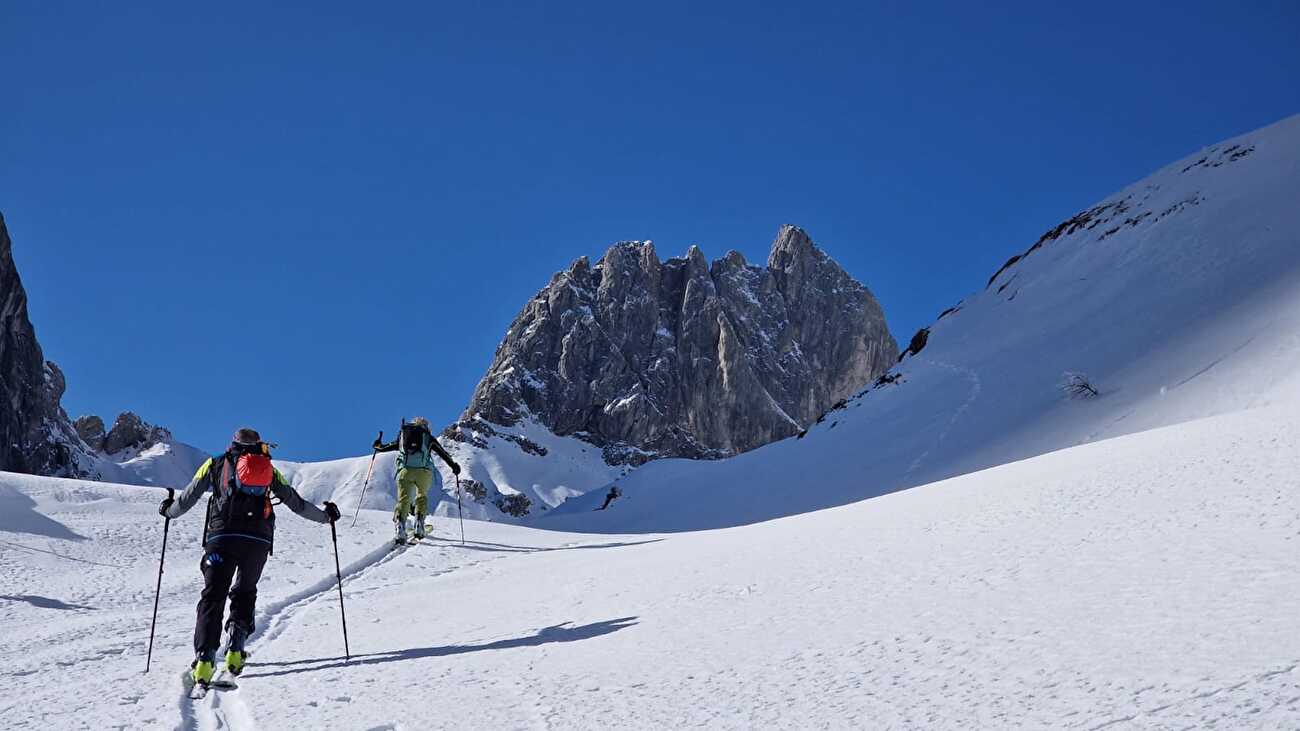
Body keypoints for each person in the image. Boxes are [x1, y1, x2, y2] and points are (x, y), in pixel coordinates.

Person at [158, 428, 341, 686]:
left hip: (221, 538)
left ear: (233, 443)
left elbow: (189, 497)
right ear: (258, 445)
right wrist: (326, 516)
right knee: (245, 591)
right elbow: (295, 502)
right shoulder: (268, 468)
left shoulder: (215, 463)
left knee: (213, 594)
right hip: (257, 541)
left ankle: (204, 660)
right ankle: (235, 649)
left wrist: (168, 511)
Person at [373, 417, 460, 544]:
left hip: (405, 471)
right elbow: (443, 453)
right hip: (424, 472)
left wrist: (377, 445)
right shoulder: (428, 437)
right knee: (421, 496)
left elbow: (384, 447)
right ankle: (419, 525)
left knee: (404, 499)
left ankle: (400, 527)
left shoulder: (404, 437)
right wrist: (454, 466)